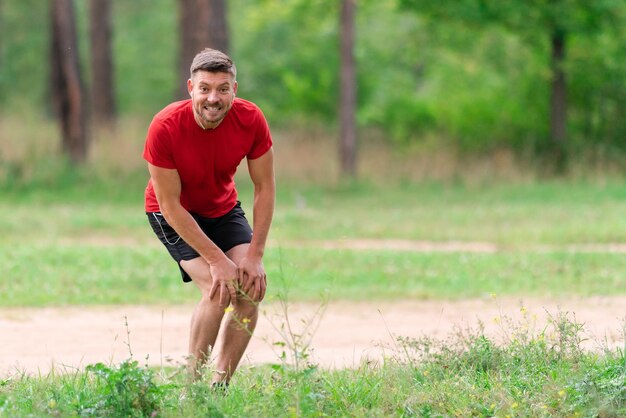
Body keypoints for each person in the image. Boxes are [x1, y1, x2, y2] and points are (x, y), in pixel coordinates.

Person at [143, 48, 275, 387]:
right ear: (190, 88)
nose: (213, 98)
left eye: (222, 88)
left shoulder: (251, 118)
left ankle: (219, 389)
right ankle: (192, 390)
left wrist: (255, 256)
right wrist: (217, 260)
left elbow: (264, 187)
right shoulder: (165, 126)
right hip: (171, 212)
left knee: (249, 290)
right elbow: (170, 205)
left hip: (223, 207)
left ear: (235, 88)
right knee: (221, 288)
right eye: (205, 88)